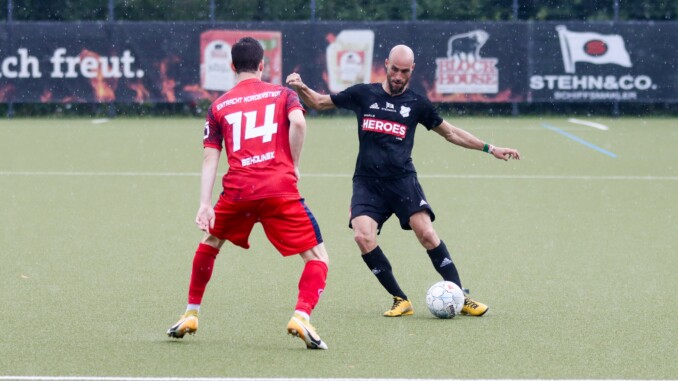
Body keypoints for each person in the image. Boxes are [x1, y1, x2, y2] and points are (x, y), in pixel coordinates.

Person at [286, 44, 520, 317]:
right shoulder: (364, 94)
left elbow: (451, 133)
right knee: (362, 236)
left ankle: (459, 295)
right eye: (394, 69)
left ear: (412, 71)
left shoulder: (417, 104)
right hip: (367, 182)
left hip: (402, 180)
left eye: (404, 71)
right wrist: (300, 87)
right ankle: (400, 299)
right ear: (386, 64)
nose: (398, 76)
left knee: (427, 233)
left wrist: (490, 148)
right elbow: (318, 102)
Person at [167, 37, 329, 349]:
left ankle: (191, 312)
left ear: (231, 67)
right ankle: (301, 315)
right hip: (278, 189)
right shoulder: (283, 94)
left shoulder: (218, 106)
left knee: (211, 242)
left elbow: (210, 157)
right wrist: (293, 163)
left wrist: (204, 203)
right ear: (262, 66)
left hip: (239, 191)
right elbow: (298, 122)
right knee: (317, 257)